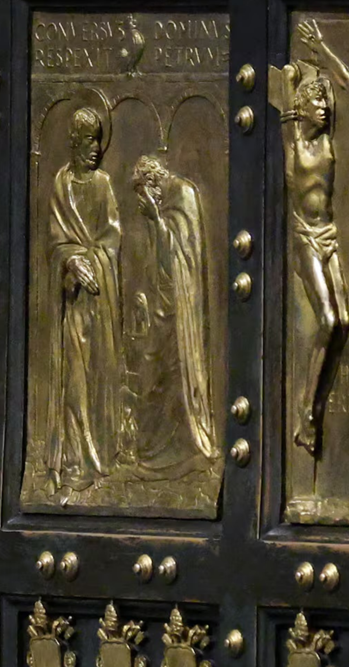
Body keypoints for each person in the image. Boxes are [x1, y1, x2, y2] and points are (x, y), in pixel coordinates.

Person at [277, 22, 349, 453]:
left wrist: (322, 48)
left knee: (345, 322)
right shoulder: (293, 143)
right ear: (301, 108)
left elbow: (348, 86)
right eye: (316, 101)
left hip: (329, 235)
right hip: (305, 237)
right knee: (328, 320)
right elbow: (284, 88)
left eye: (325, 101)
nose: (323, 107)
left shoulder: (328, 143)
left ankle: (314, 408)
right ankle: (306, 413)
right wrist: (290, 80)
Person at [44, 107, 122, 496]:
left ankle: (99, 457)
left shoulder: (103, 184)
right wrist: (70, 261)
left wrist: (95, 261)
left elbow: (112, 238)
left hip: (98, 298)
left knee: (96, 376)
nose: (96, 149)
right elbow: (55, 242)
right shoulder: (61, 183)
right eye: (89, 140)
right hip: (71, 300)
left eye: (99, 141)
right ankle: (75, 459)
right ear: (74, 141)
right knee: (74, 378)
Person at [130, 155, 217, 480]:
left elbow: (182, 258)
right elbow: (157, 262)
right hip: (162, 306)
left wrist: (156, 218)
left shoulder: (182, 194)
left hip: (181, 310)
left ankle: (184, 451)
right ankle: (153, 452)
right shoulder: (163, 203)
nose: (142, 200)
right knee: (153, 372)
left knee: (170, 374)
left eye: (142, 191)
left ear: (153, 182)